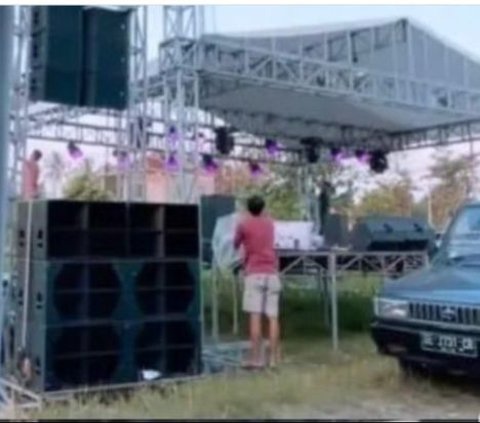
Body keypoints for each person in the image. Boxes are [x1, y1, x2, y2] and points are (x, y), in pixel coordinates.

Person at [234, 195, 281, 369]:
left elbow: (235, 243)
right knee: (273, 317)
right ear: (263, 208)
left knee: (255, 317)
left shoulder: (243, 224)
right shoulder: (270, 223)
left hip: (254, 273)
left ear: (248, 208)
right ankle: (274, 360)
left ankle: (256, 359)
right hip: (272, 272)